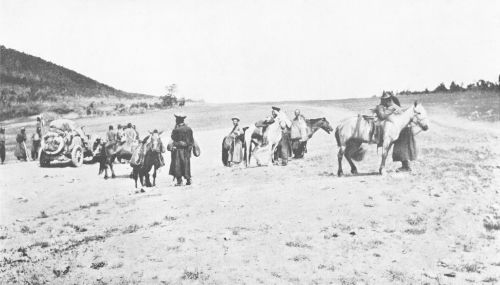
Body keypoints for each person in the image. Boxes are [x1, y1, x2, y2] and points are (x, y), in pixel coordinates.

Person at [374, 91, 415, 172]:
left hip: (401, 129)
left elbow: (401, 112)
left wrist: (393, 109)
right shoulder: (382, 107)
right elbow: (382, 116)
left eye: (388, 99)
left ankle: (406, 166)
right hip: (395, 130)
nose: (387, 101)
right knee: (400, 148)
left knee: (402, 147)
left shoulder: (393, 106)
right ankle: (405, 166)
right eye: (385, 99)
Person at [169, 113, 194, 186]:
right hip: (187, 150)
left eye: (176, 119)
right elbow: (191, 140)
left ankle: (179, 181)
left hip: (179, 150)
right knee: (186, 164)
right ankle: (188, 180)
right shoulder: (189, 129)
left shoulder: (176, 130)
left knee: (177, 165)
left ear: (177, 120)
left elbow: (173, 138)